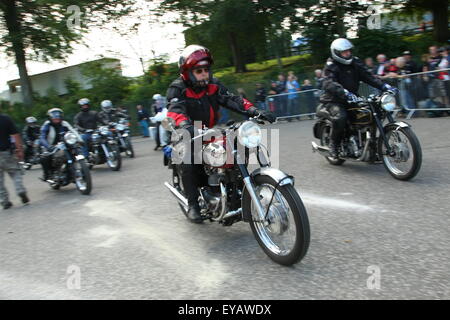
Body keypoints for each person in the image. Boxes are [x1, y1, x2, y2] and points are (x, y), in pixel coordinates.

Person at [166, 44, 275, 223]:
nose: (204, 74)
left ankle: (235, 189)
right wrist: (186, 125)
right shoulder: (177, 88)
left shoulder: (214, 85)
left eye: (206, 69)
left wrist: (255, 111)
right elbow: (175, 110)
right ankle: (193, 204)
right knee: (186, 157)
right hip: (186, 131)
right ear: (187, 72)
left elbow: (232, 99)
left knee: (238, 147)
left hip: (209, 130)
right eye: (199, 70)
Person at [318, 38, 397, 159]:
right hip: (334, 99)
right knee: (341, 117)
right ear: (337, 53)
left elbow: (368, 76)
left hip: (353, 97)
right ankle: (334, 145)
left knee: (373, 112)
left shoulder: (355, 62)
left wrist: (384, 86)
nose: (348, 53)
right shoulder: (331, 65)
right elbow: (328, 82)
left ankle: (372, 147)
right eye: (345, 52)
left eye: (349, 51)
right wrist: (344, 92)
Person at [40, 108, 79, 181]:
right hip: (52, 146)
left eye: (58, 117)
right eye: (54, 118)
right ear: (50, 118)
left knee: (75, 151)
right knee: (44, 158)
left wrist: (80, 140)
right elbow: (42, 137)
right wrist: (48, 146)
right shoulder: (47, 125)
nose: (56, 119)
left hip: (66, 144)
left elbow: (73, 131)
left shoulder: (64, 123)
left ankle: (72, 170)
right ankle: (47, 174)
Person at [0, 114, 29, 209]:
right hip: (6, 152)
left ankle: (4, 201)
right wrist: (19, 150)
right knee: (15, 172)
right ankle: (20, 190)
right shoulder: (5, 119)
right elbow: (15, 135)